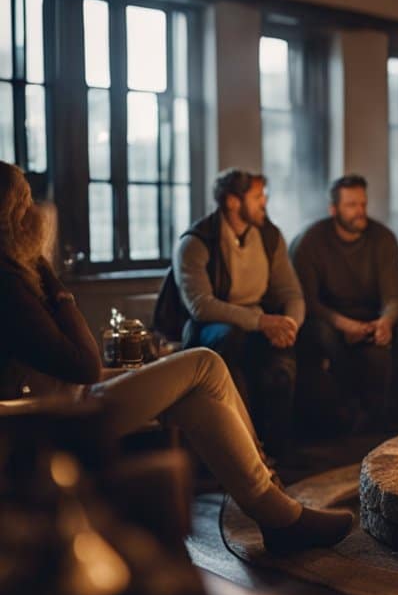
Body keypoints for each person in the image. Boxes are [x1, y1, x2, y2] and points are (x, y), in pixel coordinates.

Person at [0, 162, 351, 553]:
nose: (39, 213)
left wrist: (286, 323)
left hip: (66, 402)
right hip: (41, 423)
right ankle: (272, 492)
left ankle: (279, 517)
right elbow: (82, 363)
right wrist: (55, 283)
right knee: (205, 360)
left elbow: (69, 366)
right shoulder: (10, 285)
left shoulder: (16, 279)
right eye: (27, 203)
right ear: (11, 217)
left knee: (200, 398)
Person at [156, 169, 304, 457]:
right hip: (210, 326)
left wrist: (290, 326)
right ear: (233, 202)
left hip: (259, 322)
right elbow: (201, 305)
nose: (265, 203)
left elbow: (291, 292)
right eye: (257, 197)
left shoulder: (269, 236)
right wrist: (262, 322)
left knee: (282, 365)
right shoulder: (196, 242)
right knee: (230, 338)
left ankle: (278, 452)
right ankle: (240, 451)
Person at [290, 175, 398, 432]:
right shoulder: (312, 241)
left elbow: (394, 297)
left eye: (362, 204)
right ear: (334, 210)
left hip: (371, 319)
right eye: (351, 205)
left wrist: (386, 321)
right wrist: (343, 324)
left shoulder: (382, 238)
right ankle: (343, 418)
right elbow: (307, 300)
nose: (360, 211)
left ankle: (392, 418)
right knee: (320, 334)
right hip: (328, 319)